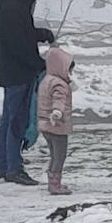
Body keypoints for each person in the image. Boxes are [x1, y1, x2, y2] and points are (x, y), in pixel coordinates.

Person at [0, 0, 54, 184]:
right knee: (16, 120)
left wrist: (41, 34)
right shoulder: (13, 7)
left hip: (12, 71)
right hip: (18, 72)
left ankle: (4, 162)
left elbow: (23, 34)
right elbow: (19, 44)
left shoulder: (13, 4)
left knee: (10, 118)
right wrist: (38, 64)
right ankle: (13, 168)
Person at [38, 45, 75, 196]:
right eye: (68, 70)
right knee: (59, 156)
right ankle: (55, 184)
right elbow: (58, 100)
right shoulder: (59, 84)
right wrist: (57, 112)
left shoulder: (46, 80)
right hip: (57, 125)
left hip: (45, 124)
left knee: (53, 154)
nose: (70, 74)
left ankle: (52, 182)